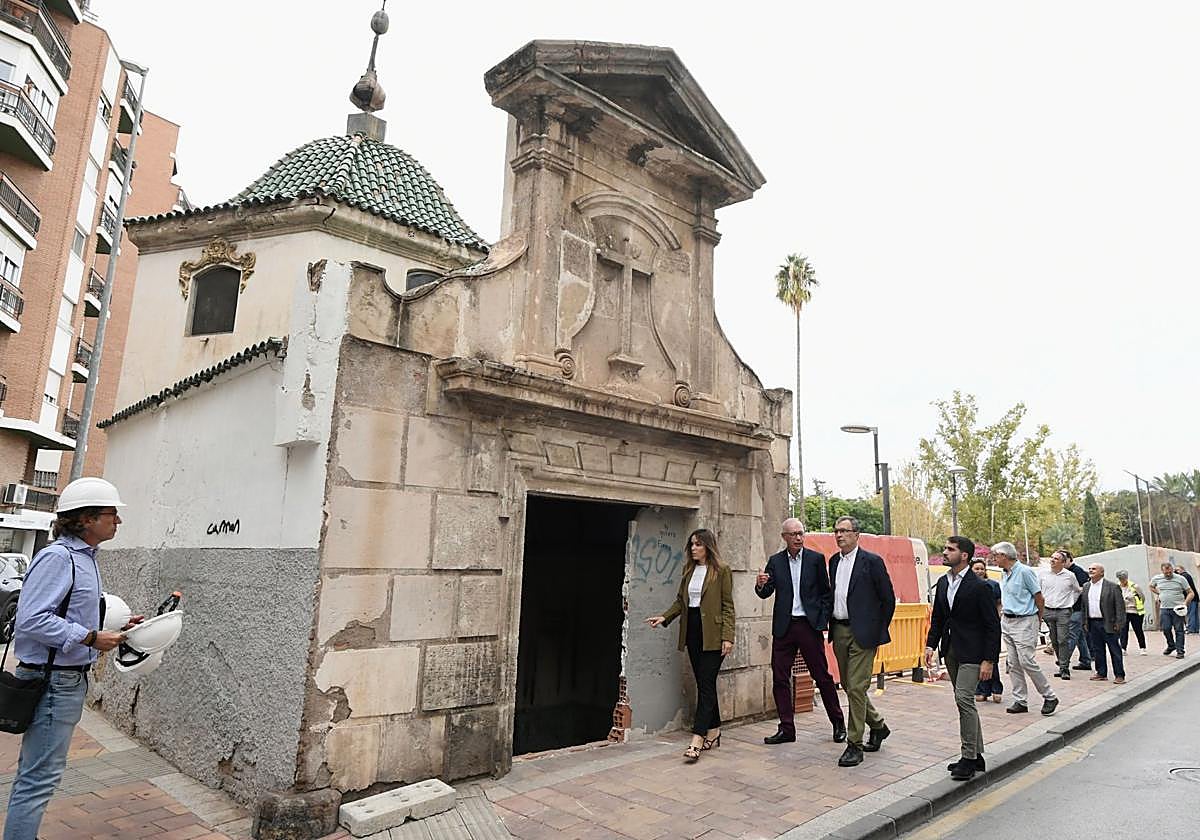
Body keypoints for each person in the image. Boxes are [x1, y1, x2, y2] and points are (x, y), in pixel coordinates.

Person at [3, 478, 141, 840]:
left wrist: (116, 625)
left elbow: (69, 612)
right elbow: (31, 619)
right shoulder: (59, 558)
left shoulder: (84, 558)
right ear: (86, 518)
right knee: (39, 778)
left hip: (65, 679)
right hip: (53, 681)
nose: (118, 520)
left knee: (36, 774)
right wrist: (91, 638)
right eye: (111, 514)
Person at [646, 528, 734, 762]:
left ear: (708, 546)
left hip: (713, 633)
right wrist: (665, 617)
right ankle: (714, 730)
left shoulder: (721, 570)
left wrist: (728, 637)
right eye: (692, 544)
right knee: (705, 683)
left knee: (705, 685)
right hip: (692, 630)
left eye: (698, 544)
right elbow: (680, 602)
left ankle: (698, 737)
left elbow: (728, 605)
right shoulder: (688, 569)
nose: (693, 548)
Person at [755, 518, 846, 745]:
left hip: (808, 625)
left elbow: (826, 593)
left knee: (822, 676)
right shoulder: (776, 562)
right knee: (780, 678)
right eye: (793, 534)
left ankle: (838, 723)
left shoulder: (815, 560)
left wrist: (821, 620)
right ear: (784, 537)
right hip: (784, 627)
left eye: (801, 533)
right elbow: (765, 593)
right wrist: (760, 584)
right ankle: (787, 728)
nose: (798, 538)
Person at [926, 536, 1000, 781]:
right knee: (964, 702)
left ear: (964, 555)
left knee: (964, 699)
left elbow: (992, 626)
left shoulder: (979, 587)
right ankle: (977, 756)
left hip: (973, 652)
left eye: (950, 549)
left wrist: (989, 660)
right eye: (945, 548)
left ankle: (968, 758)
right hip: (951, 650)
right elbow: (938, 618)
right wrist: (930, 645)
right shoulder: (943, 582)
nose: (945, 552)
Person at [827, 516, 895, 768]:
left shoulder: (872, 562)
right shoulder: (834, 561)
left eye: (844, 531)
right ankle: (878, 725)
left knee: (856, 687)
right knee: (848, 685)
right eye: (836, 531)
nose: (839, 535)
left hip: (864, 634)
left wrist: (877, 630)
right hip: (839, 629)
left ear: (857, 535)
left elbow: (888, 599)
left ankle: (854, 744)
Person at [991, 542, 1057, 716]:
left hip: (1025, 621)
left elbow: (1039, 598)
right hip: (1008, 621)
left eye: (996, 555)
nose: (994, 559)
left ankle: (1049, 696)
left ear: (1004, 556)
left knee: (1027, 661)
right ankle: (1020, 700)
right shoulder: (1004, 574)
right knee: (1013, 663)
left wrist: (1037, 620)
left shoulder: (1025, 572)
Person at [1081, 563, 1125, 684]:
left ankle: (1119, 674)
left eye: (1094, 569)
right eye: (1090, 569)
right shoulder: (1086, 586)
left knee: (1114, 649)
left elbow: (1120, 606)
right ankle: (1101, 672)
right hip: (1092, 623)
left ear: (1101, 572)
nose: (1091, 570)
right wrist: (1084, 622)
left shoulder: (1112, 586)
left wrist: (1119, 623)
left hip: (1109, 623)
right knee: (1098, 649)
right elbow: (1084, 606)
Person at [1040, 551, 1082, 680]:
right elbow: (1038, 592)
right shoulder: (1043, 574)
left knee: (1062, 639)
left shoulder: (1070, 576)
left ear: (1063, 562)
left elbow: (1077, 590)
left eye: (1056, 558)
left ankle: (1064, 668)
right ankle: (1061, 663)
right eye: (1052, 558)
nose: (1052, 560)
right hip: (1047, 610)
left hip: (1063, 611)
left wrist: (1070, 602)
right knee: (1054, 640)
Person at [969, 559, 1003, 703]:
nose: (979, 571)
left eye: (982, 569)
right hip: (975, 628)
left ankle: (996, 688)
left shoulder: (993, 585)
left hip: (990, 626)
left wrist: (997, 618)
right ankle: (981, 689)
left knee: (991, 658)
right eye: (976, 569)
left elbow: (999, 603)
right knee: (977, 659)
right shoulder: (967, 585)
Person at [1149, 562, 1194, 659]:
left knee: (1179, 630)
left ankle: (1180, 651)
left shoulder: (1181, 579)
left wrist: (1185, 603)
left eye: (1170, 572)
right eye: (1166, 573)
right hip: (1164, 608)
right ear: (1162, 571)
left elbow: (1191, 593)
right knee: (1166, 628)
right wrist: (1159, 593)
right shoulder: (1157, 578)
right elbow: (1151, 586)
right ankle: (1171, 645)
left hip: (1178, 608)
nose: (1169, 574)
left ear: (1172, 570)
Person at [1058, 549, 1092, 672]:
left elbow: (1084, 589)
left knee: (1071, 635)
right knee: (1080, 636)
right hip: (1071, 608)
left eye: (1063, 560)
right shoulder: (1065, 572)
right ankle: (1086, 660)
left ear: (1068, 559)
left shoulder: (1077, 572)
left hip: (1077, 608)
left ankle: (1064, 660)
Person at [1115, 570, 1146, 655]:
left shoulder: (1134, 586)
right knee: (1123, 631)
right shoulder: (1117, 587)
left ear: (1127, 578)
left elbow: (1142, 597)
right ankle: (1123, 648)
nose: (1122, 580)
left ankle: (1142, 648)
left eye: (1124, 578)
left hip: (1135, 611)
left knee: (1138, 630)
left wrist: (1136, 604)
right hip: (1123, 612)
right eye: (1120, 579)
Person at [1174, 565, 1200, 634]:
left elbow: (1183, 588)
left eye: (1177, 570)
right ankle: (1196, 629)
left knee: (1190, 614)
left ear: (1181, 569)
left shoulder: (1184, 576)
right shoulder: (1188, 575)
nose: (1176, 572)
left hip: (1190, 598)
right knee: (1194, 614)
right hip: (1195, 597)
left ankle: (1191, 629)